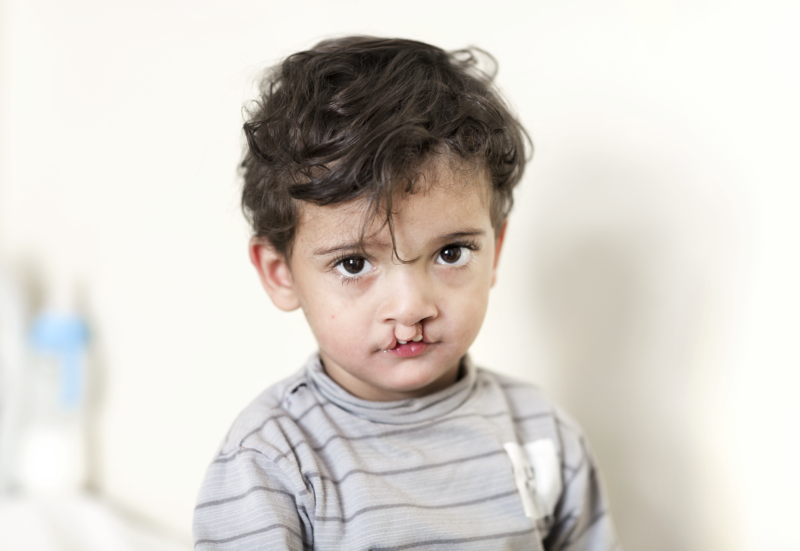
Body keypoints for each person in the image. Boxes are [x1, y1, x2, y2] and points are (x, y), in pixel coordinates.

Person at [193, 36, 619, 550]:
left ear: (495, 252)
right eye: (354, 263)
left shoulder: (542, 435)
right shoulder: (272, 461)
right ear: (281, 273)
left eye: (452, 253)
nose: (412, 307)